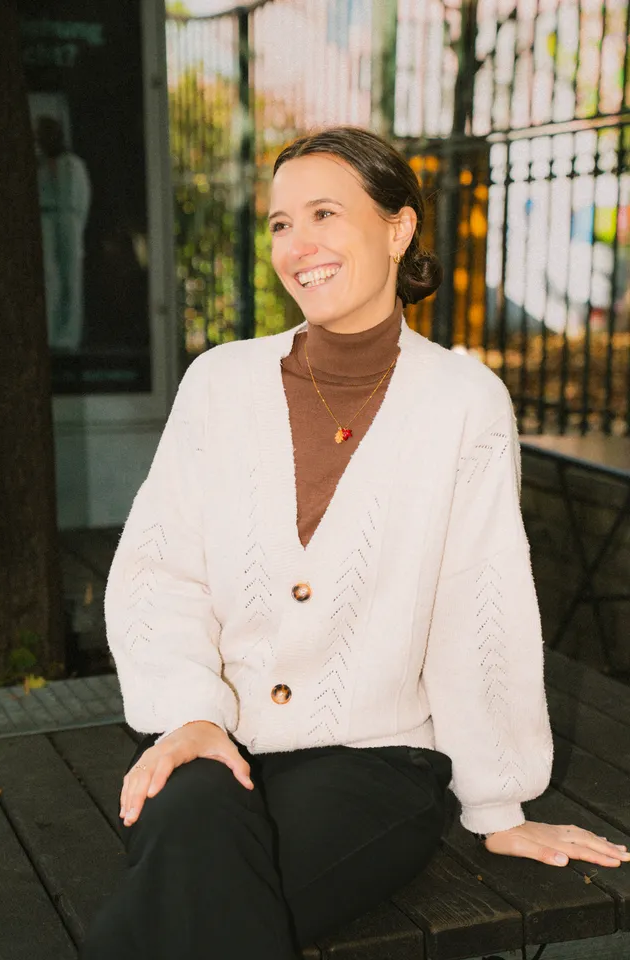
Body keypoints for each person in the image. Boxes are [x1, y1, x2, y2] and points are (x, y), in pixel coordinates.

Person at [81, 127, 629, 960]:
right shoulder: (220, 383)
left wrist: (497, 805)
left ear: (398, 228)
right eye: (280, 223)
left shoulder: (463, 402)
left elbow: (478, 606)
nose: (296, 245)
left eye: (324, 214)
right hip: (209, 733)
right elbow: (161, 572)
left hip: (377, 764)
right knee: (198, 853)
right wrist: (190, 714)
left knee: (188, 898)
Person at [36, 115, 91, 352]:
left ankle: (68, 337)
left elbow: (83, 198)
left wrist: (75, 225)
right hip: (46, 218)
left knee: (71, 278)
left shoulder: (73, 165)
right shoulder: (38, 166)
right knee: (50, 277)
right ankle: (50, 334)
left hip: (68, 219)